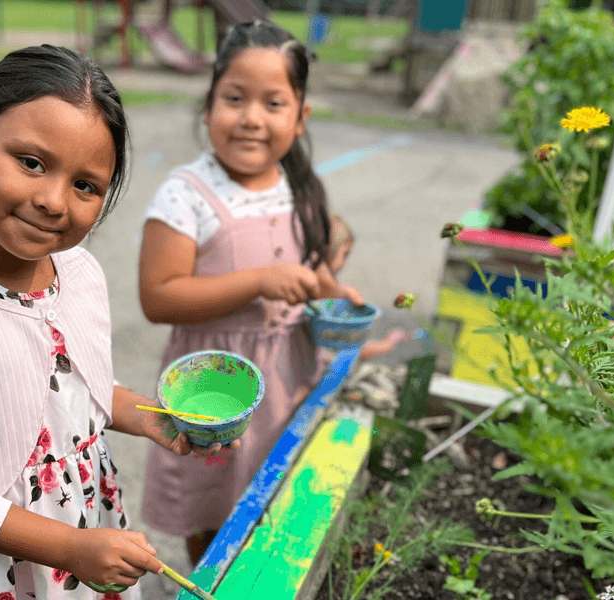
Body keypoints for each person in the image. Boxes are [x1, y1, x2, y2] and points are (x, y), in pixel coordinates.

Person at [0, 45, 230, 599]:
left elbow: (72, 387)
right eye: (31, 163)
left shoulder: (80, 273)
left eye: (85, 185)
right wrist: (68, 548)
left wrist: (155, 418)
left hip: (83, 528)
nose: (54, 200)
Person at [138, 20, 363, 564]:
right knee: (211, 513)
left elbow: (308, 272)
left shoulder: (300, 186)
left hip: (289, 381)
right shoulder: (185, 195)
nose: (251, 119)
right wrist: (258, 282)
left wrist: (332, 295)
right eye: (234, 99)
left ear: (301, 115)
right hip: (216, 396)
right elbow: (159, 297)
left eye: (273, 103)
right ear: (209, 103)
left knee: (276, 502)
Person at [326, 214, 412, 361]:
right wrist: (387, 344)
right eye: (344, 255)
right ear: (329, 252)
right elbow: (348, 351)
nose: (344, 264)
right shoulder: (330, 298)